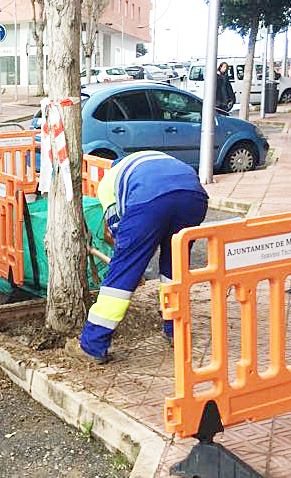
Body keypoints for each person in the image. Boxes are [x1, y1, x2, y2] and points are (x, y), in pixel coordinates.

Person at [65, 151, 208, 364]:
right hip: (194, 196)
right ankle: (175, 330)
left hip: (149, 199)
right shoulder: (151, 158)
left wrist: (134, 266)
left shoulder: (107, 182)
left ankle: (92, 345)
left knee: (121, 275)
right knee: (175, 268)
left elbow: (118, 233)